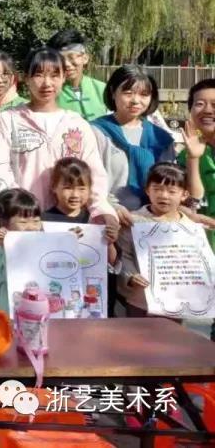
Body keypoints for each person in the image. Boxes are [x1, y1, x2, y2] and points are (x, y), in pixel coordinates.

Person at [0, 47, 117, 223]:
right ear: (25, 78)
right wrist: (19, 206)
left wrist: (101, 210)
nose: (47, 83)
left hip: (71, 223)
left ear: (63, 77)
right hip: (24, 222)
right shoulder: (9, 120)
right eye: (39, 75)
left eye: (54, 75)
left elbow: (94, 173)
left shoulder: (76, 124)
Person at [90, 65, 174, 213]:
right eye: (128, 93)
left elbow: (170, 184)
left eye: (144, 94)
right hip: (105, 214)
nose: (135, 100)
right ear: (113, 92)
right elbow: (87, 179)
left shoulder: (161, 139)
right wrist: (110, 208)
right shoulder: (95, 131)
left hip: (151, 217)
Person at [117, 163, 194, 319]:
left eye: (172, 191)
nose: (163, 196)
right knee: (136, 333)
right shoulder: (133, 220)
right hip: (140, 299)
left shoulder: (190, 228)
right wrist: (131, 276)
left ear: (184, 194)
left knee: (171, 334)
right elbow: (124, 254)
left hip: (176, 301)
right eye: (157, 189)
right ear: (147, 190)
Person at [0, 188, 42, 312]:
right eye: (23, 222)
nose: (31, 227)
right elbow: (3, 276)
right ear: (3, 223)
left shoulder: (44, 246)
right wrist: (4, 246)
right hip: (11, 311)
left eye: (36, 221)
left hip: (40, 311)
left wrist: (68, 240)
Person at [178, 78, 215, 250]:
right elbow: (190, 203)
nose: (207, 110)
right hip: (202, 249)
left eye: (214, 104)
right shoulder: (183, 155)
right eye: (199, 104)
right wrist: (193, 158)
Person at [48, 29, 108, 121]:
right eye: (60, 59)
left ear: (85, 58)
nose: (66, 64)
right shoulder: (50, 92)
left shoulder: (102, 89)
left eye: (71, 57)